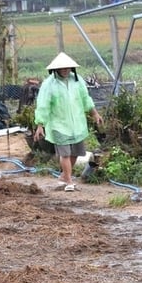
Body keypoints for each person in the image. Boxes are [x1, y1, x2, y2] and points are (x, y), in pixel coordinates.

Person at [33, 52, 101, 191]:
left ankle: (64, 176)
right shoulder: (49, 84)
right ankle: (69, 181)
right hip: (59, 125)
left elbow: (85, 98)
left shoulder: (77, 80)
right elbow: (43, 105)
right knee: (64, 153)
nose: (65, 70)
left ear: (72, 68)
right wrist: (40, 125)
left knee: (75, 152)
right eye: (62, 68)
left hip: (76, 124)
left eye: (67, 67)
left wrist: (95, 114)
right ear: (55, 69)